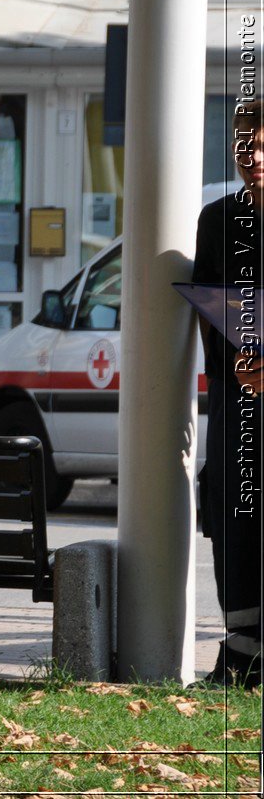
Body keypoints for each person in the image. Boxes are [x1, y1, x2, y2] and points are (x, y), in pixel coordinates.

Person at [193, 97, 263, 689]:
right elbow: (211, 308)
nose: (254, 156)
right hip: (238, 392)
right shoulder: (217, 219)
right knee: (233, 515)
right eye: (245, 145)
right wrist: (238, 366)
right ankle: (243, 647)